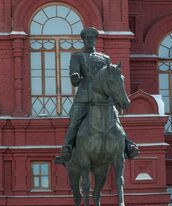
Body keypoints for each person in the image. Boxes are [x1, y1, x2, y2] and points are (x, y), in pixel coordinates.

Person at [54, 26, 139, 165]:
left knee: (115, 119)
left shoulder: (104, 58)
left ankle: (128, 146)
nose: (90, 41)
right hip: (84, 96)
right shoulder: (77, 56)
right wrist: (75, 77)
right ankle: (67, 148)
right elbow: (74, 75)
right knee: (74, 120)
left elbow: (109, 77)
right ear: (84, 40)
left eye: (92, 39)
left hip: (103, 97)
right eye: (87, 39)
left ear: (95, 40)